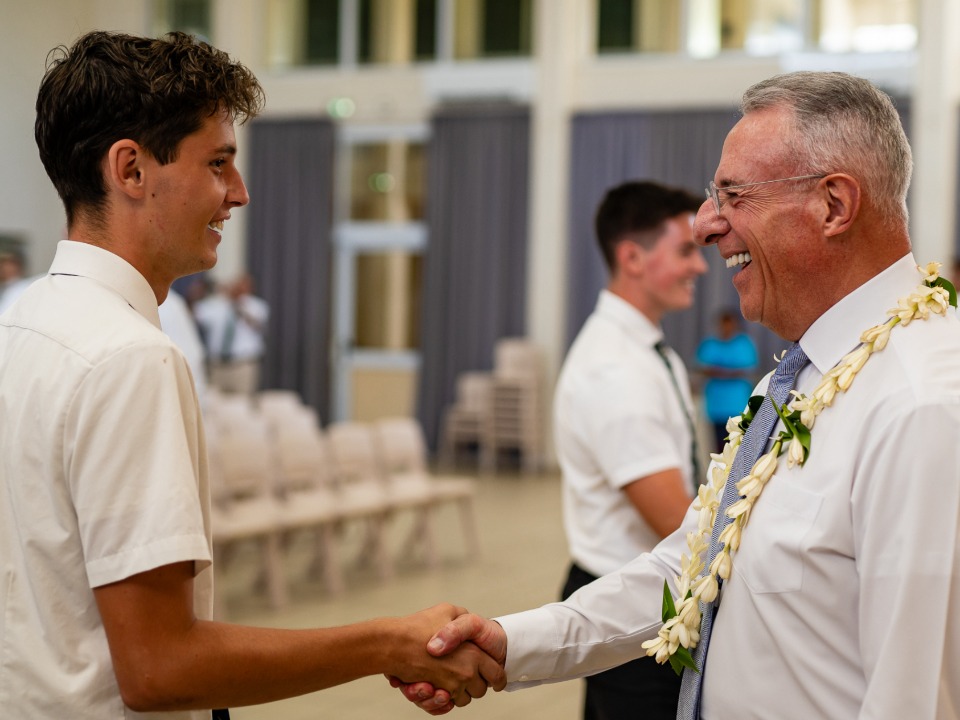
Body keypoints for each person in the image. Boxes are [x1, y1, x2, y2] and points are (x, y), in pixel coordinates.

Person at [396, 71, 960, 719]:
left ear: (833, 205)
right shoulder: (803, 375)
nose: (703, 226)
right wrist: (509, 645)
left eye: (733, 195)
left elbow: (918, 698)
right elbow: (694, 565)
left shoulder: (923, 404)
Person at [0, 30, 502, 719]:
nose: (237, 192)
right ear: (131, 171)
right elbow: (158, 668)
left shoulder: (23, 321)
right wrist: (387, 641)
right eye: (218, 163)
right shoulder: (128, 357)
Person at [554, 180, 706, 720]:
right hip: (632, 604)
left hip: (640, 590)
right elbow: (673, 519)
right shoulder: (614, 369)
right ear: (633, 257)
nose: (701, 267)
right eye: (686, 250)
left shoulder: (642, 348)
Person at [194, 272, 268, 395]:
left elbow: (257, 324)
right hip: (217, 365)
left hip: (242, 364)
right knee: (215, 406)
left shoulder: (256, 306)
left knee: (241, 406)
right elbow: (194, 314)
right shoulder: (215, 305)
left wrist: (236, 303)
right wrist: (203, 290)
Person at [694, 309, 758, 452]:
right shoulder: (709, 344)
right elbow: (702, 368)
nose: (726, 328)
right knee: (719, 449)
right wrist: (730, 372)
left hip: (738, 406)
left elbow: (746, 370)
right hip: (716, 407)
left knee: (738, 448)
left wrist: (718, 371)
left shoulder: (744, 344)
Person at [0, 243, 40, 315]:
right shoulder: (4, 288)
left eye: (10, 263)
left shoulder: (24, 288)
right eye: (2, 263)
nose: (4, 267)